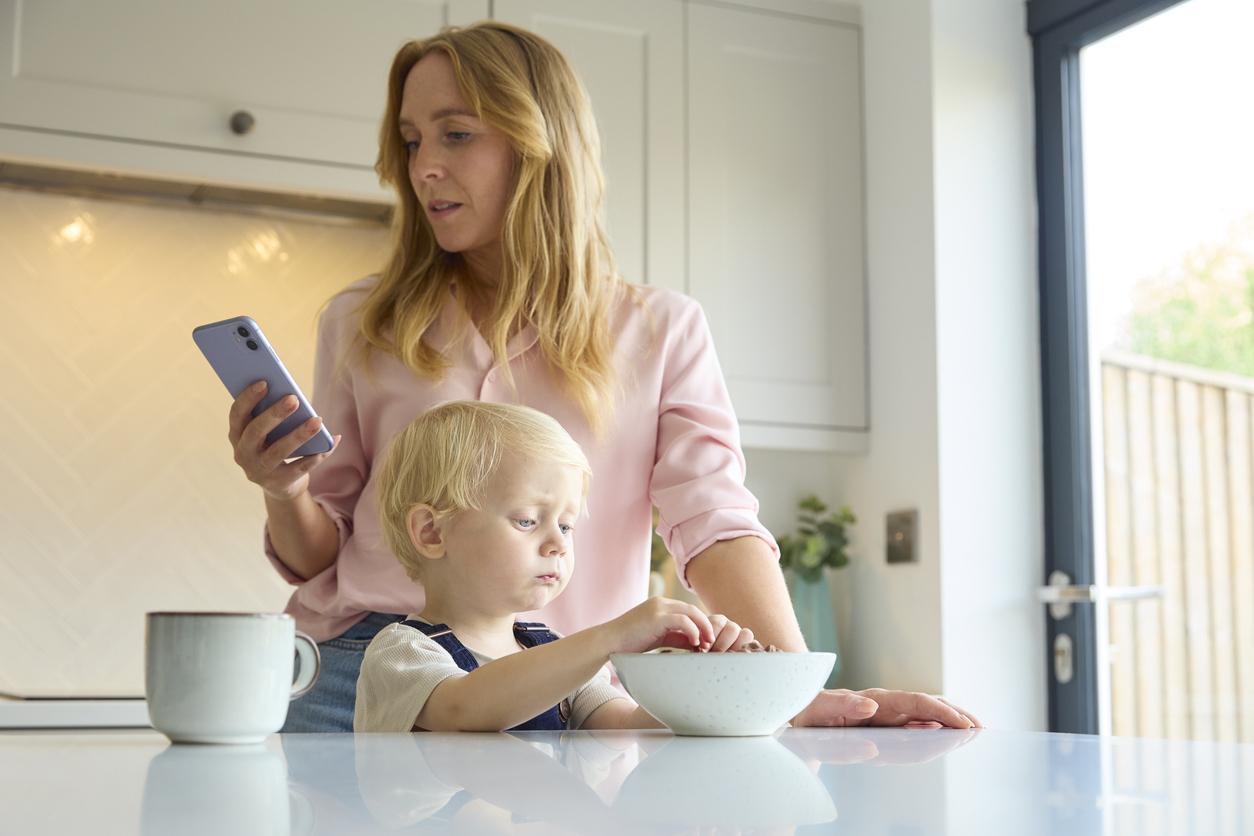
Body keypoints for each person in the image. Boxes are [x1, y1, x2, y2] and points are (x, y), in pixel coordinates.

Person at [226, 21, 981, 732]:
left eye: (457, 134)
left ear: (539, 144)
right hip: (357, 671)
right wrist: (283, 488)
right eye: (413, 139)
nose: (425, 165)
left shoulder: (660, 331)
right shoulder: (362, 321)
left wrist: (790, 688)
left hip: (571, 687)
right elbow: (321, 554)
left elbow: (713, 522)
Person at [355, 400, 759, 733]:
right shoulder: (402, 652)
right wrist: (612, 637)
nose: (558, 544)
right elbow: (463, 710)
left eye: (566, 525)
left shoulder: (552, 649)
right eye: (527, 520)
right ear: (432, 533)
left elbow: (629, 728)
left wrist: (703, 678)